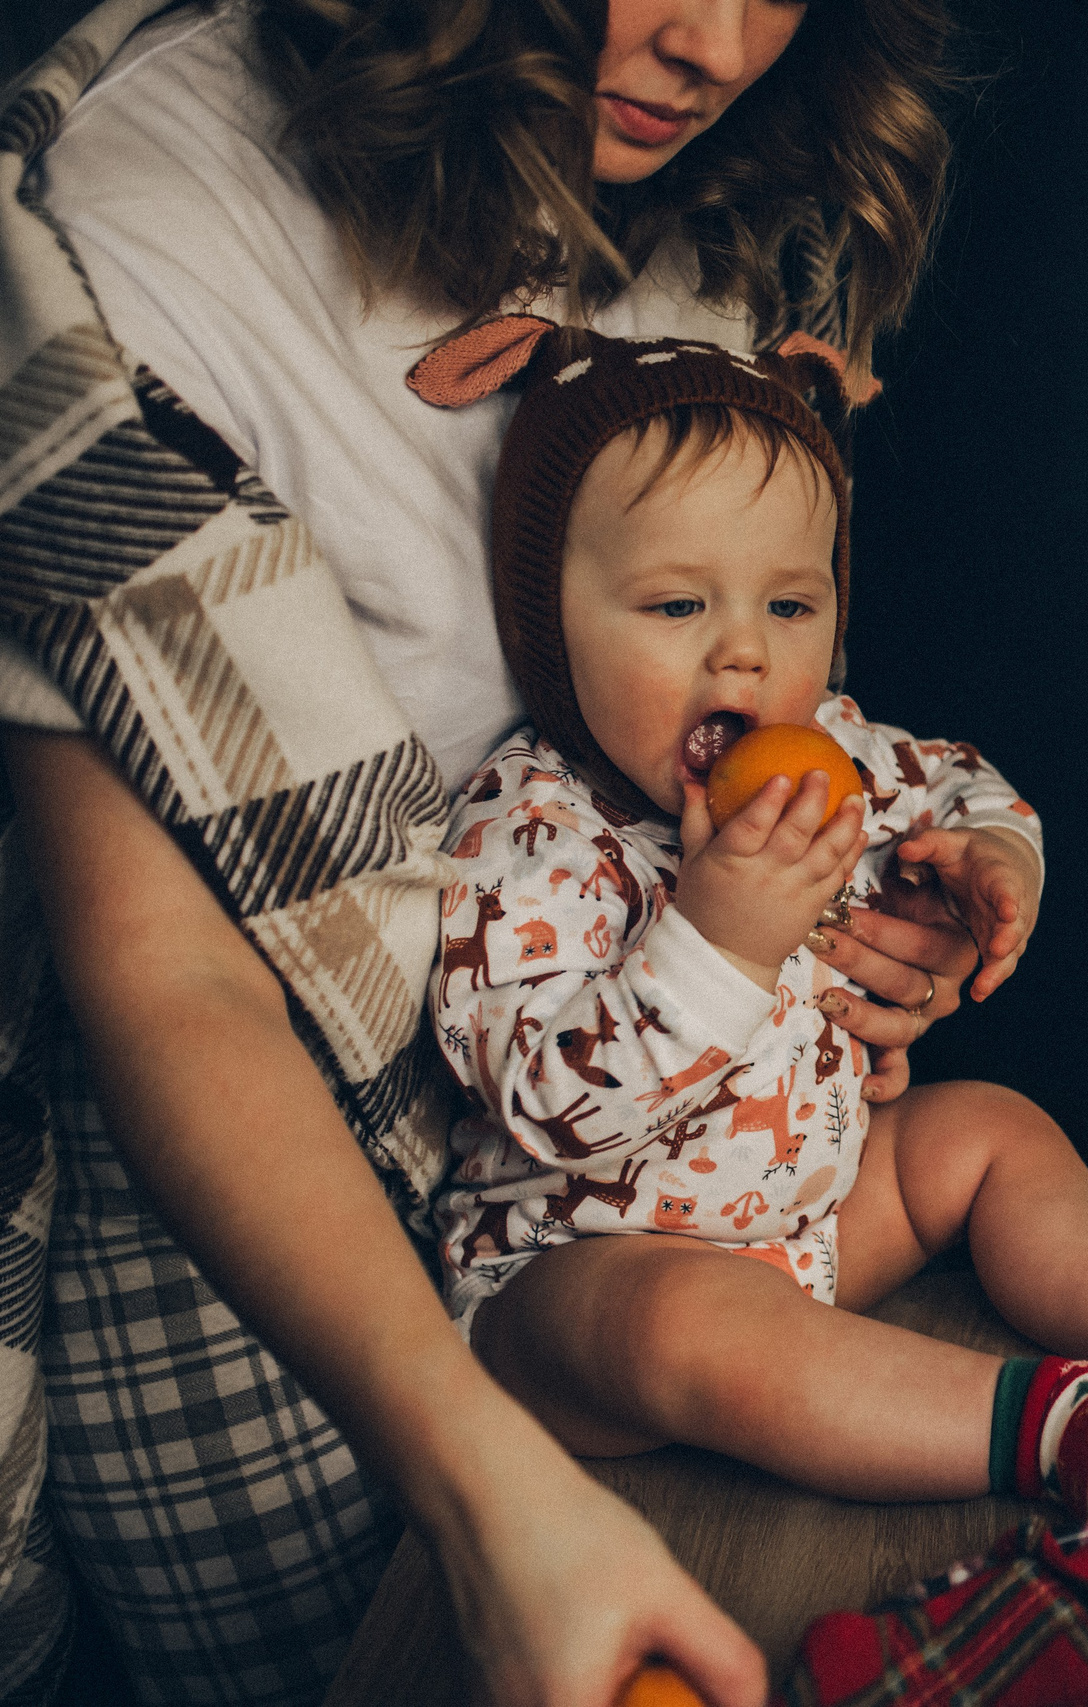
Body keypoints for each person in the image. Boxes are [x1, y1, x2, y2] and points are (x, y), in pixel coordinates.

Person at [0, 0, 991, 1701]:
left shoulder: (728, 187)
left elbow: (725, 681)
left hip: (649, 1202)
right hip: (276, 1277)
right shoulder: (145, 225)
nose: (723, 44)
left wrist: (835, 928)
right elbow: (170, 976)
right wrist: (478, 1479)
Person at [421, 326, 1088, 1521]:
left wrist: (992, 858)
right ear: (545, 619)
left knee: (980, 1127)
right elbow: (548, 1108)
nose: (746, 651)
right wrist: (718, 938)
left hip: (815, 1219)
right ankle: (1034, 1424)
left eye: (790, 601)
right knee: (685, 1320)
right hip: (579, 1279)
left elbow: (967, 783)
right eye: (673, 603)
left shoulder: (837, 757)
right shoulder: (531, 834)